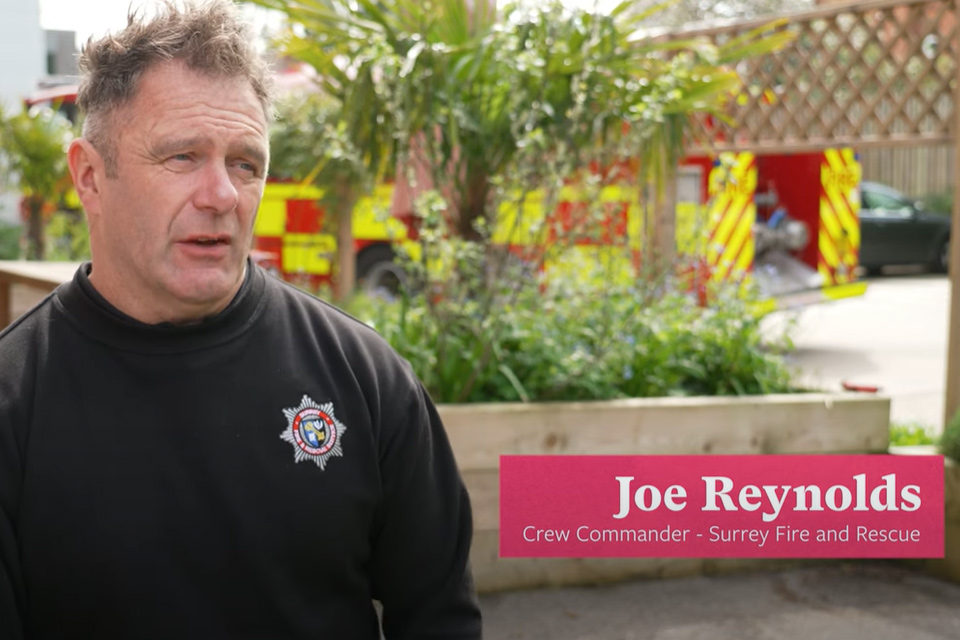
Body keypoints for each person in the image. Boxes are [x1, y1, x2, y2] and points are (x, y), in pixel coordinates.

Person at [0, 1, 482, 638]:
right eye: (181, 157)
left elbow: (440, 617)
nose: (222, 195)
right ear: (90, 176)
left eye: (245, 163)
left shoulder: (365, 378)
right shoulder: (13, 402)